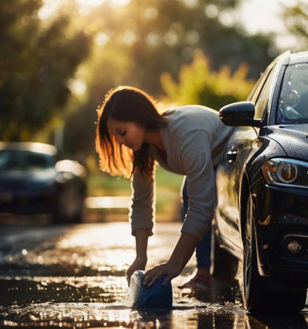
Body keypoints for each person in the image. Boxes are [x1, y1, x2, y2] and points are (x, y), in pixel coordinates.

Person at [95, 86, 234, 288]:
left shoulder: (187, 132)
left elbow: (201, 206)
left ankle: (205, 271)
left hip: (233, 156)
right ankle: (204, 273)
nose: (120, 141)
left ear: (140, 118)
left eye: (122, 132)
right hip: (212, 162)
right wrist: (140, 257)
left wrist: (175, 264)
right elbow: (141, 201)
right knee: (190, 192)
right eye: (116, 136)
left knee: (192, 194)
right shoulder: (145, 147)